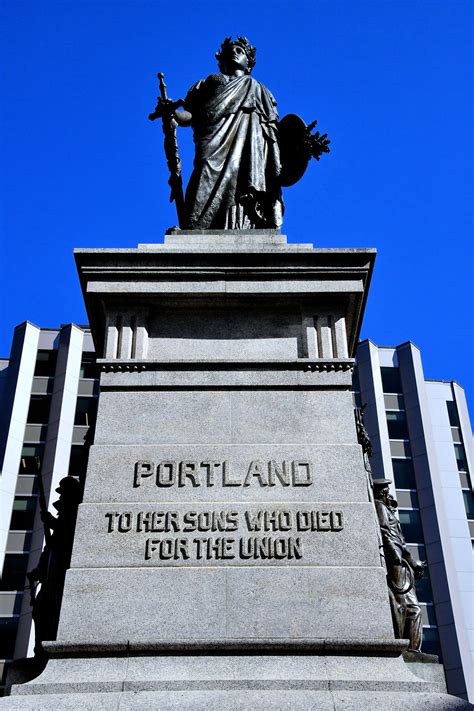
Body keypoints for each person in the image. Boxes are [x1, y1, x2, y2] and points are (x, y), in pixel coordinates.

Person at [171, 36, 284, 230]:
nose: (235, 52)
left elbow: (273, 133)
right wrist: (172, 113)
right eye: (230, 50)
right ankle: (195, 226)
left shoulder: (257, 89)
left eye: (240, 51)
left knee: (242, 179)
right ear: (220, 59)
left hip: (249, 147)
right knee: (205, 169)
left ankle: (241, 225)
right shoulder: (206, 83)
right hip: (212, 141)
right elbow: (189, 115)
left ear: (249, 64)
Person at [373, 479, 426, 652]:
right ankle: (405, 647)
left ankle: (413, 648)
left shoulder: (388, 510)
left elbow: (402, 543)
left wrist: (414, 564)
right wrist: (395, 557)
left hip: (402, 564)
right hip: (395, 562)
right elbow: (385, 533)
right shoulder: (380, 507)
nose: (389, 494)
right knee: (402, 604)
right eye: (386, 491)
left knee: (413, 608)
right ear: (381, 492)